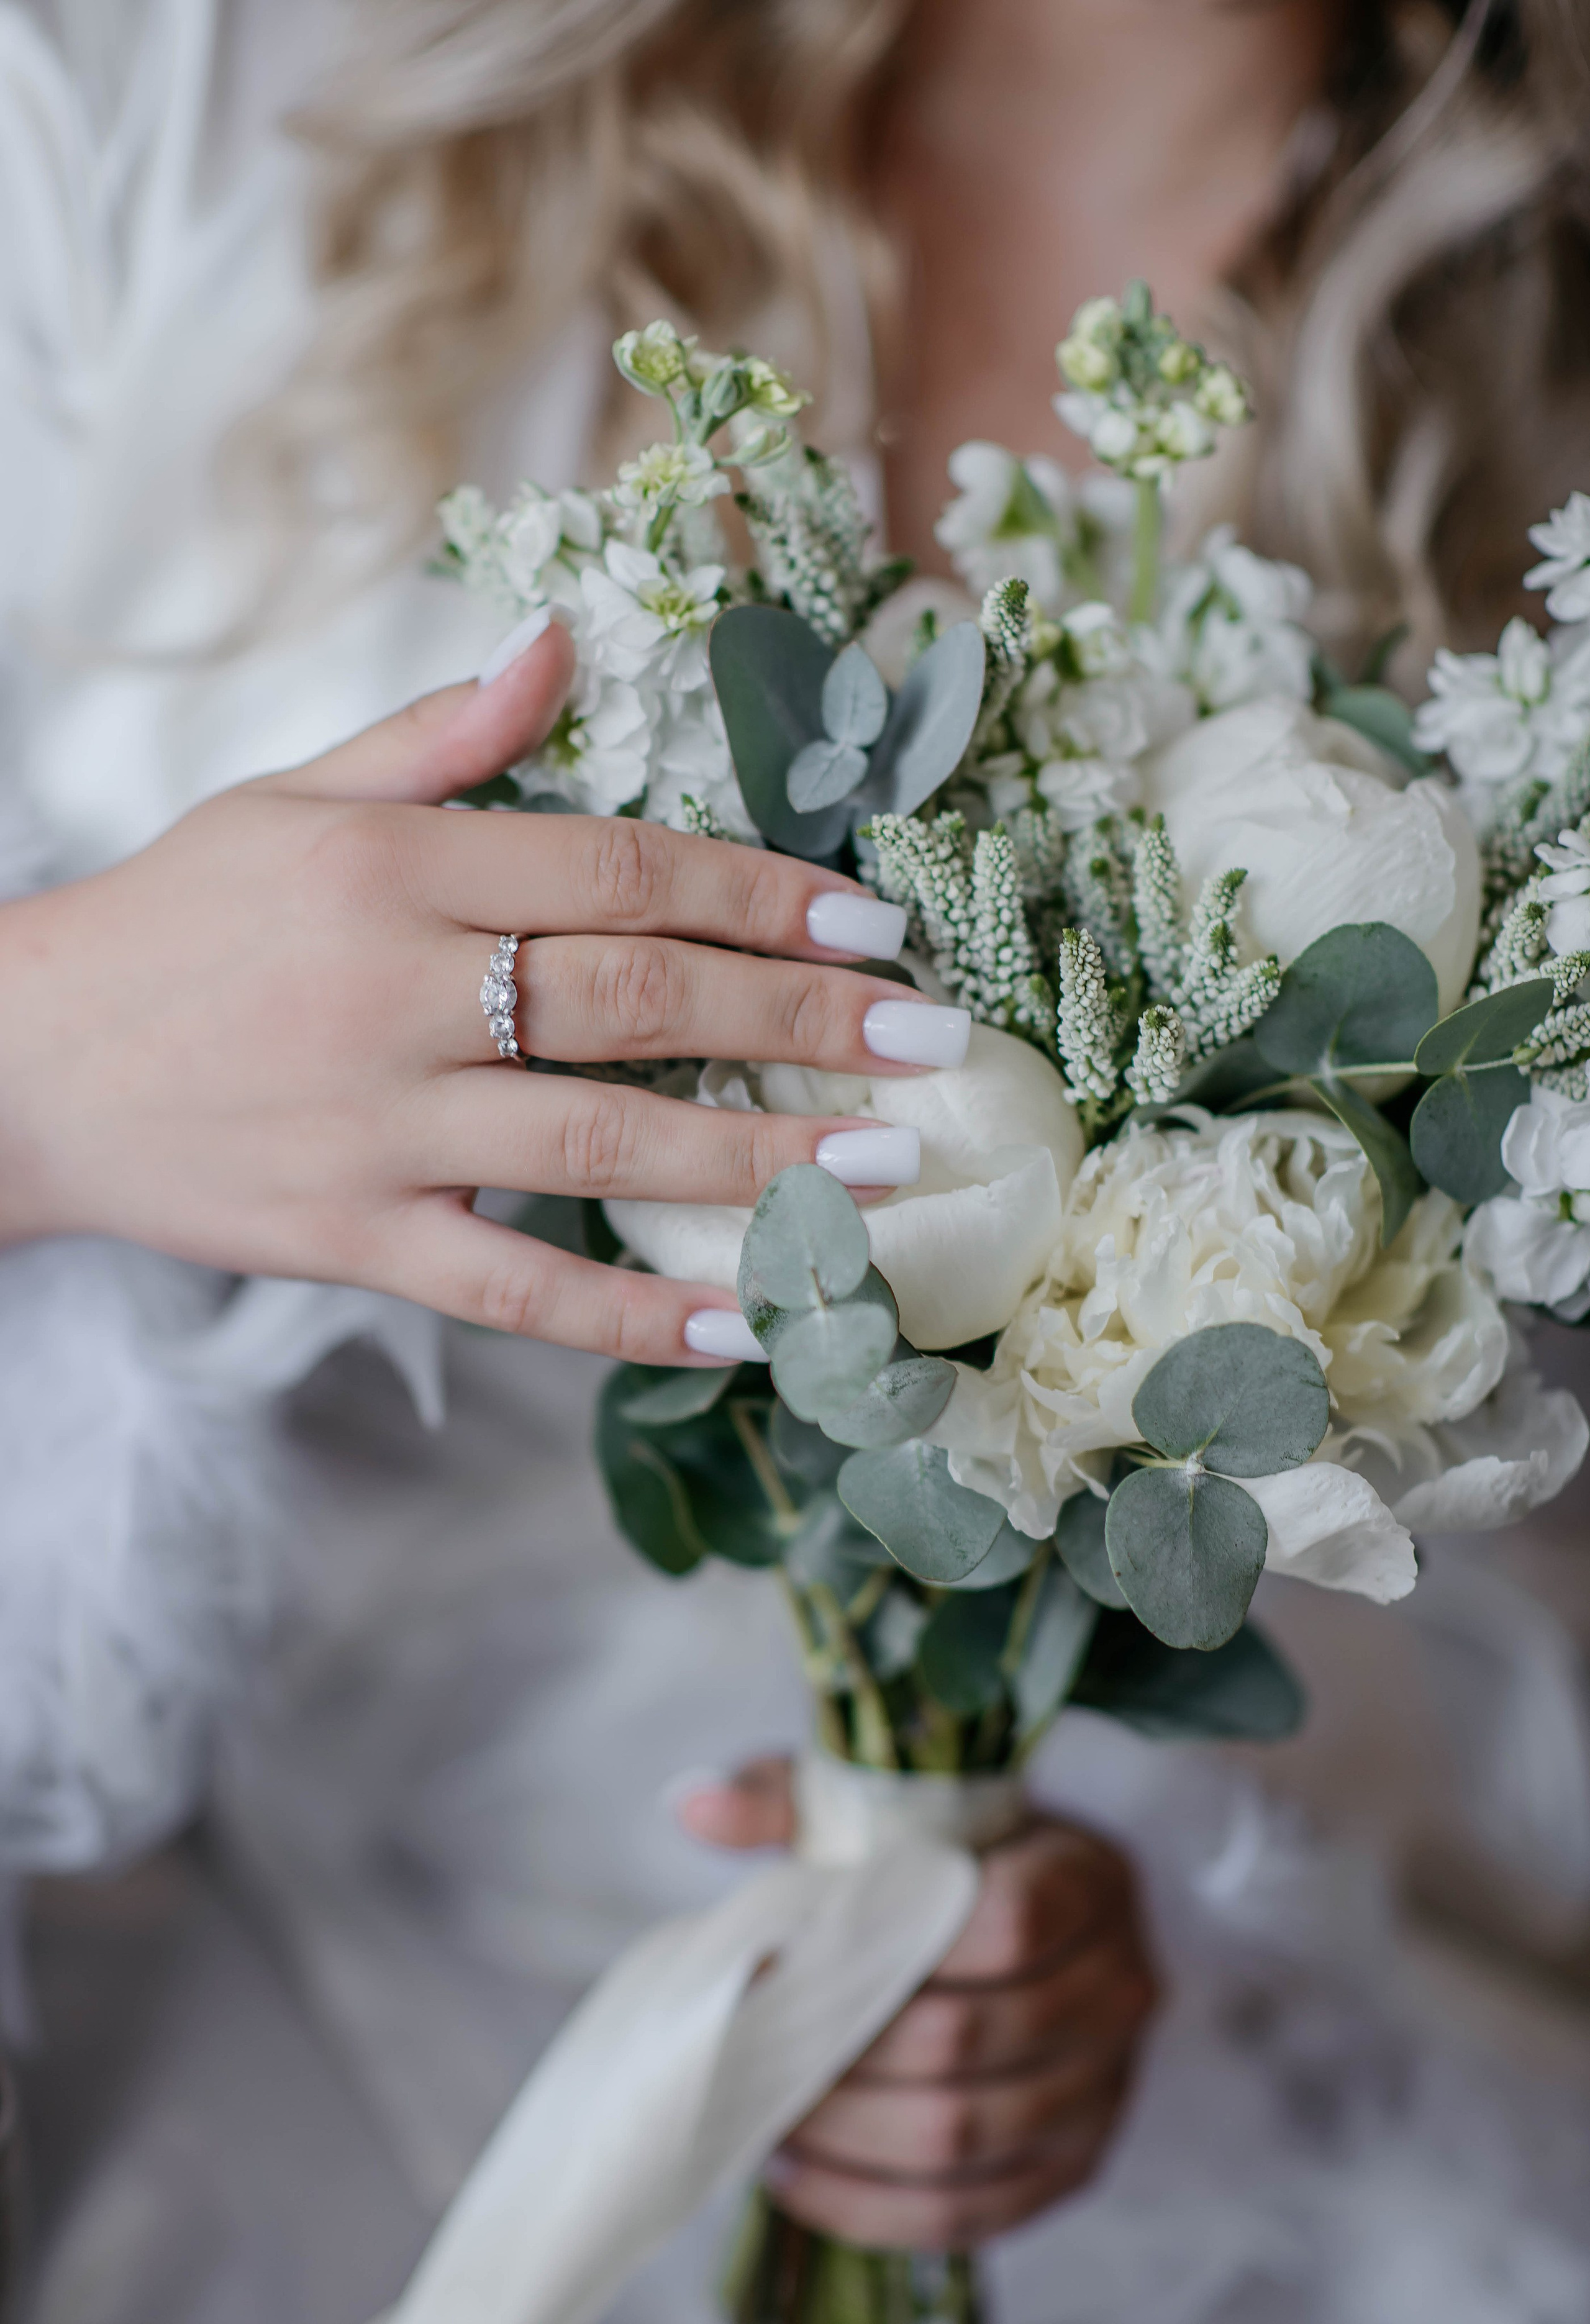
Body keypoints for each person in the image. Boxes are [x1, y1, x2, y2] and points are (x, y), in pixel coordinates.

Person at [2, 1, 1588, 2317]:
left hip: (1131, 2110)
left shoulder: (1527, 391)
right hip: (163, 1997)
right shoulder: (171, 97)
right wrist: (45, 1069)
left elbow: (1468, 1469)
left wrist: (1033, 1891)